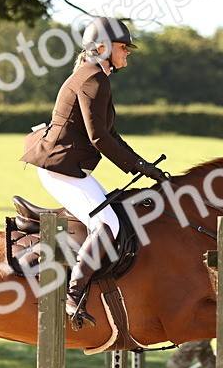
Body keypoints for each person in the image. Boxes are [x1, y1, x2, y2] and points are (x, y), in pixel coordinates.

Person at [20, 16, 170, 329]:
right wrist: (138, 166)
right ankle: (73, 294)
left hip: (70, 167)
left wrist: (143, 165)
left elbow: (110, 134)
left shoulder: (94, 75)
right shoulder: (93, 79)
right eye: (123, 47)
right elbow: (99, 138)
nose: (127, 52)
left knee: (113, 214)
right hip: (60, 167)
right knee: (107, 223)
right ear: (101, 48)